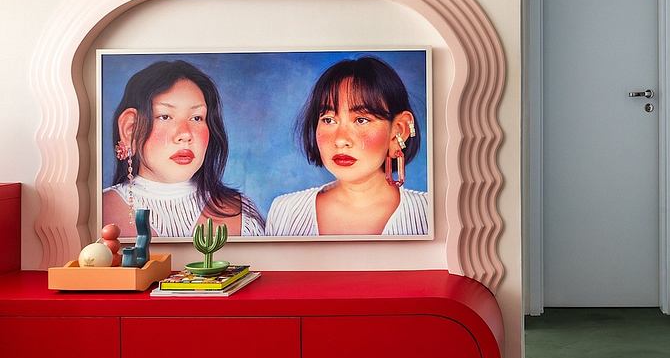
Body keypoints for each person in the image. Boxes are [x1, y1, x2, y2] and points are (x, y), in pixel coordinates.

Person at [264, 56, 428, 236]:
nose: (341, 140)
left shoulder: (429, 212)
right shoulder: (285, 213)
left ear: (399, 130)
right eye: (328, 120)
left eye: (361, 120)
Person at [101, 60, 264, 237]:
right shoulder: (99, 210)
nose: (185, 134)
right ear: (130, 128)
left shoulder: (242, 214)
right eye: (164, 116)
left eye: (196, 118)